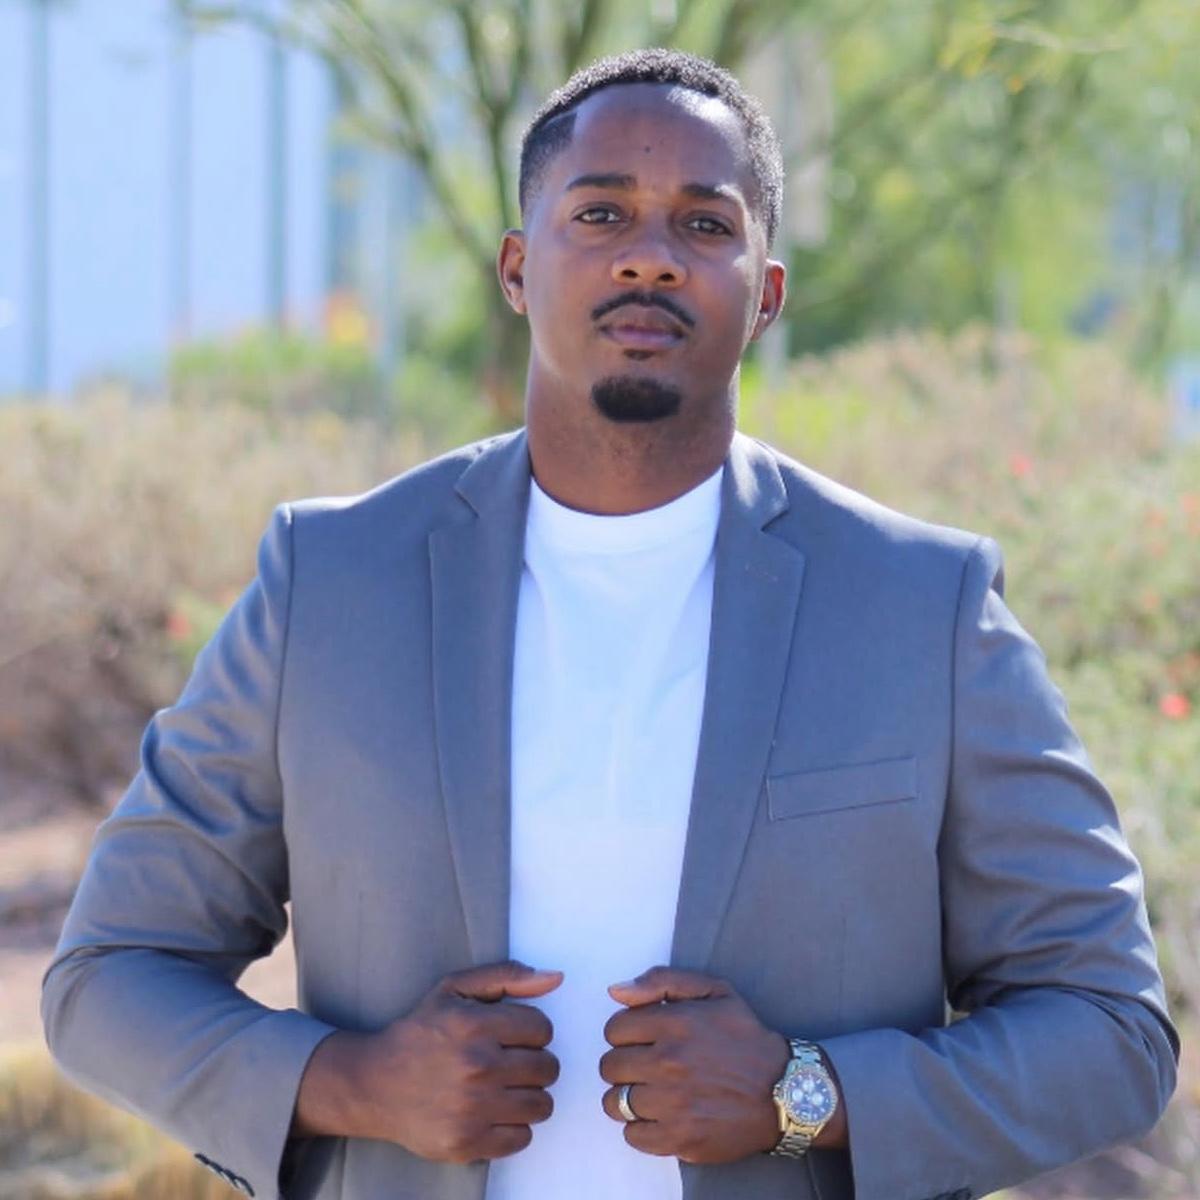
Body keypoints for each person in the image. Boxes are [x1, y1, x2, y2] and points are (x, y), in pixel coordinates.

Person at [42, 48, 1177, 1200]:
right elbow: (109, 976)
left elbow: (1111, 1030)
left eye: (705, 223)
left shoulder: (923, 608)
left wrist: (806, 1096)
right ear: (517, 269)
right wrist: (357, 1085)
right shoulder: (329, 586)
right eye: (601, 213)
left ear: (766, 294)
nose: (650, 255)